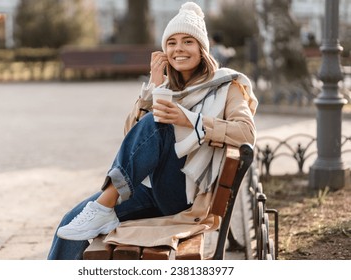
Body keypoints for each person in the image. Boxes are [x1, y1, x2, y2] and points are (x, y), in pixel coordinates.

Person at [47, 2, 257, 260]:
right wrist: (153, 87)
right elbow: (132, 139)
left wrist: (192, 120)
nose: (178, 48)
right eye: (172, 43)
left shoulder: (227, 86)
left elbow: (246, 133)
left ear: (202, 49)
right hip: (148, 188)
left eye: (188, 41)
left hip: (185, 194)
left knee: (159, 120)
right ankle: (102, 208)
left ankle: (105, 202)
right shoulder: (165, 87)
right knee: (71, 223)